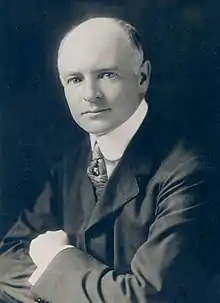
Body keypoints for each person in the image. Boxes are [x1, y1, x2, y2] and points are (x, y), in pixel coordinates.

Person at [0, 17, 219, 303]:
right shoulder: (73, 164)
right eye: (75, 79)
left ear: (143, 78)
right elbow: (7, 259)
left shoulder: (189, 173)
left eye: (107, 75)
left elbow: (146, 297)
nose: (91, 94)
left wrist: (57, 260)